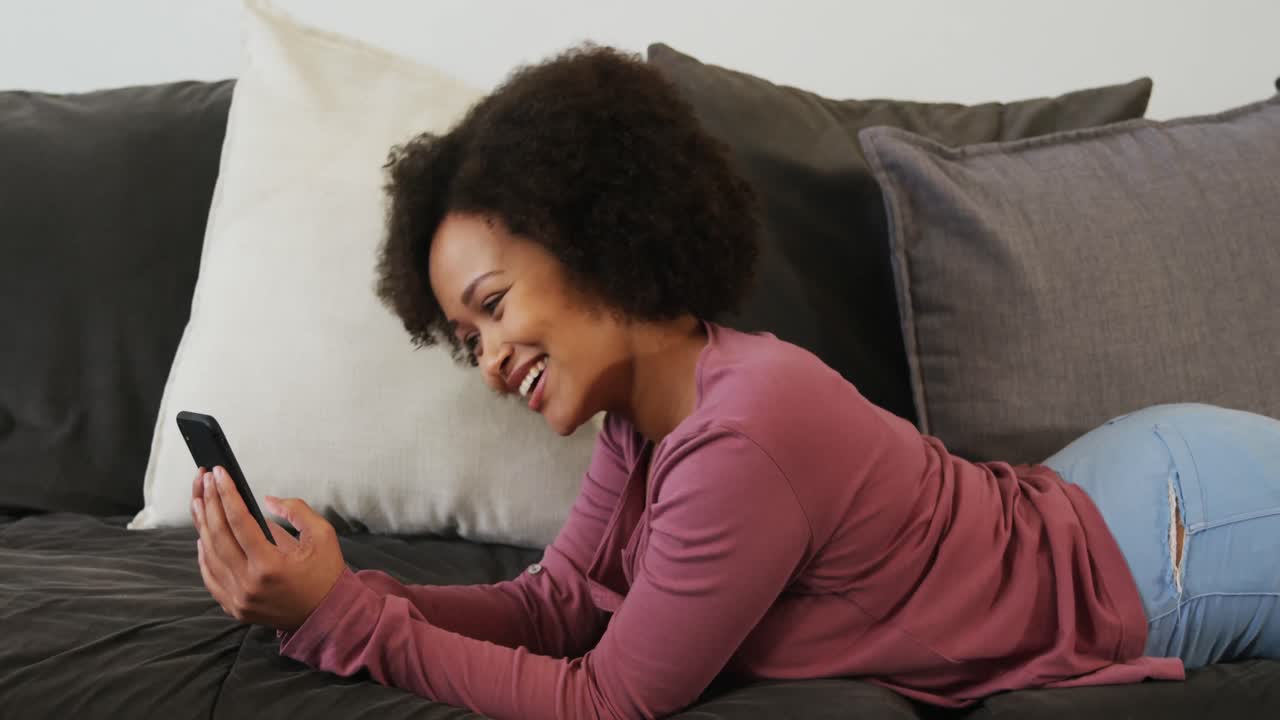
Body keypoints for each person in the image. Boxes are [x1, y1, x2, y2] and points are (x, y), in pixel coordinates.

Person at [187, 45, 1280, 720]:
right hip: (1105, 491)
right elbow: (557, 607)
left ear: (589, 237)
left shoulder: (742, 430)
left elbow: (610, 698)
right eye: (463, 338)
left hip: (1178, 539)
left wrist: (347, 623)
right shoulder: (647, 420)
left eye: (491, 305)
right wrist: (349, 596)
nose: (486, 359)